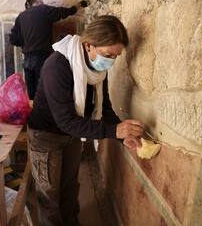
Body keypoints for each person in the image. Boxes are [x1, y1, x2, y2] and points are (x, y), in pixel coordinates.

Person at [27, 15, 144, 225]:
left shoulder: (97, 69)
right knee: (49, 195)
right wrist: (115, 131)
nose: (110, 61)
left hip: (72, 134)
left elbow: (105, 109)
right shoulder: (58, 66)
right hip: (47, 135)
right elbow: (65, 121)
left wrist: (121, 137)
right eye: (108, 54)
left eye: (115, 57)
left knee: (70, 187)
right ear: (89, 45)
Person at [10, 0, 89, 99]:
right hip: (41, 57)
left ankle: (33, 114)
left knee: (31, 94)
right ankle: (44, 114)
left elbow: (13, 40)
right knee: (43, 90)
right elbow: (65, 12)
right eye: (42, 0)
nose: (43, 2)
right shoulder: (43, 10)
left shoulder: (21, 17)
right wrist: (81, 4)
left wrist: (26, 44)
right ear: (39, 0)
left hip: (27, 59)